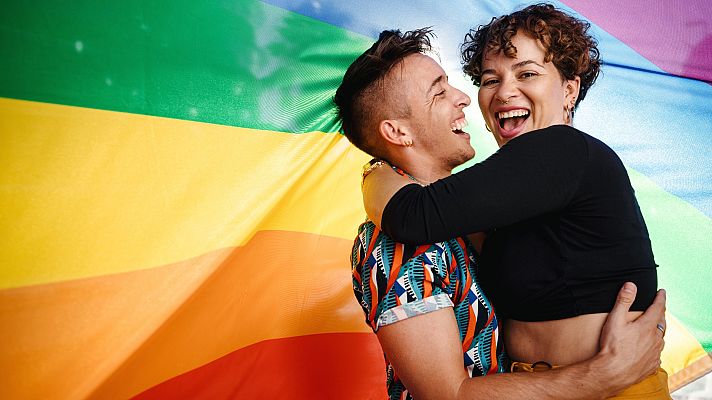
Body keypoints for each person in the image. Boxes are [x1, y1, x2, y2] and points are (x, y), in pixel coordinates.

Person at [337, 27, 666, 399]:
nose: (466, 97)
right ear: (397, 132)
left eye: (527, 74)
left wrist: (374, 173)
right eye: (490, 80)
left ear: (569, 90)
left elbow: (411, 213)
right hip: (587, 383)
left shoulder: (561, 150)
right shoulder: (409, 240)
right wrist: (600, 376)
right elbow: (447, 394)